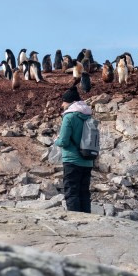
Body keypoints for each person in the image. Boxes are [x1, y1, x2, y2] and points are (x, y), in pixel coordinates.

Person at [54, 85, 95, 213]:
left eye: (64, 101)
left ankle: (75, 220)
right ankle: (87, 219)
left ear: (70, 102)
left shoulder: (69, 116)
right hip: (88, 160)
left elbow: (64, 141)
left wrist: (56, 140)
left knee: (71, 191)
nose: (62, 104)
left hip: (72, 160)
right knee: (84, 192)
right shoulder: (88, 116)